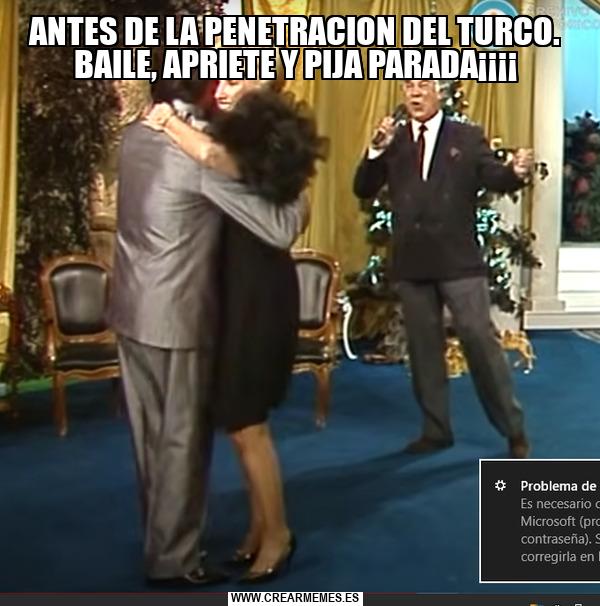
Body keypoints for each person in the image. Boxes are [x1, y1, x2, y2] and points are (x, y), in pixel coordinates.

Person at [106, 77, 309, 587]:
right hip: (178, 314)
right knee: (180, 441)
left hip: (131, 307)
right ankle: (174, 560)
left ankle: (170, 543)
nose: (226, 87)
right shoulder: (199, 155)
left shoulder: (137, 134)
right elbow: (282, 224)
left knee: (152, 440)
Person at [353, 79, 534, 459]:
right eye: (408, 87)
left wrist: (515, 171)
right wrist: (375, 150)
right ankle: (436, 430)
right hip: (412, 262)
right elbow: (363, 188)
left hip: (458, 261)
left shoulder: (466, 137)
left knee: (479, 340)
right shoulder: (394, 139)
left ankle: (513, 429)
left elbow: (494, 176)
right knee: (423, 350)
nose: (415, 94)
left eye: (423, 86)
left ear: (440, 91)